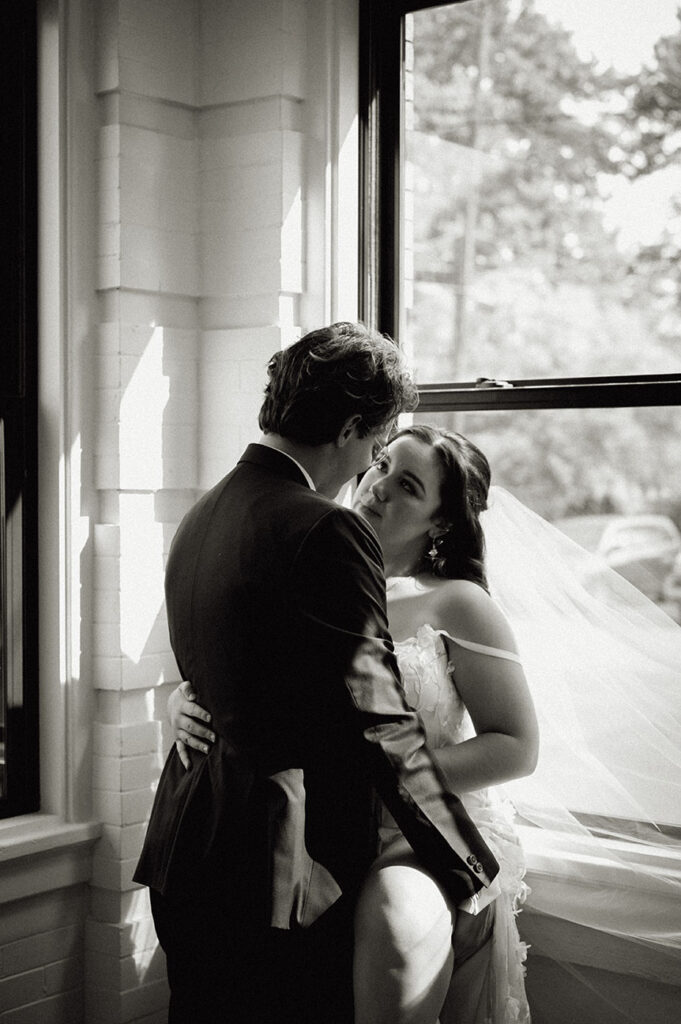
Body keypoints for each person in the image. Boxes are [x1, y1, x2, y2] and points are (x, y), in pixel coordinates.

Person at [133, 324, 500, 1024]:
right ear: (351, 427)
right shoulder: (324, 529)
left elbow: (240, 668)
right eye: (375, 447)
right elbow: (380, 720)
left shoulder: (202, 513)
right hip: (278, 869)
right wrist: (467, 866)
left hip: (187, 847)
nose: (369, 466)